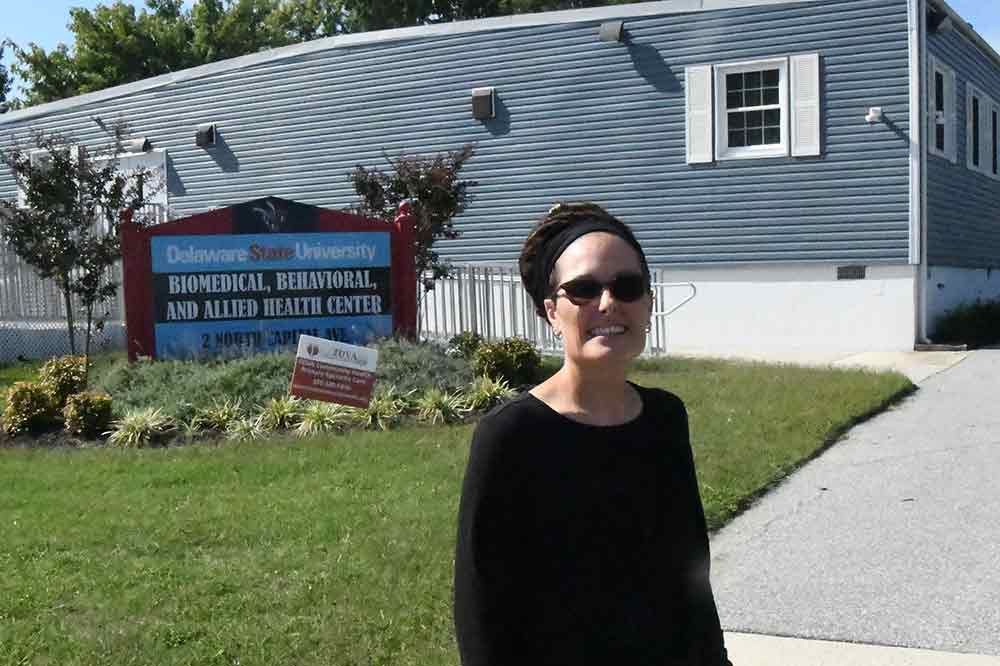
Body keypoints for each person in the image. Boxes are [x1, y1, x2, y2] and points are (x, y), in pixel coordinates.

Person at [453, 202, 732, 665]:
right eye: (583, 289)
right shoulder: (511, 436)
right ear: (550, 311)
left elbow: (691, 577)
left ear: (648, 302)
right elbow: (481, 611)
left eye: (627, 286)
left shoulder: (665, 418)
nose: (608, 303)